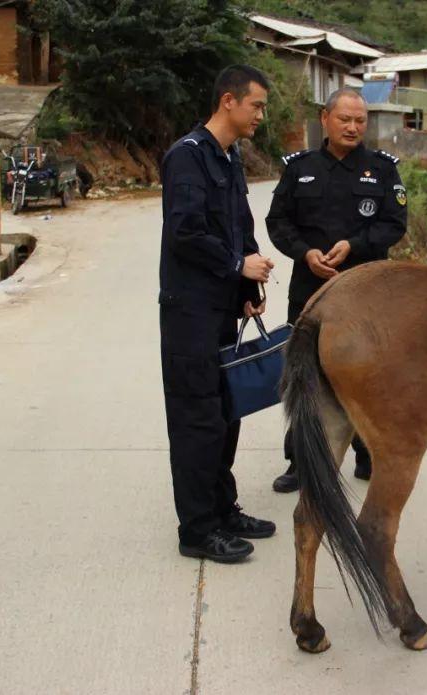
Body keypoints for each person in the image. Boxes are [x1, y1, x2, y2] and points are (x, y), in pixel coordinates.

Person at [159, 65, 277, 562]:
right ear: (228, 100)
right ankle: (197, 531)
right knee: (197, 420)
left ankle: (223, 508)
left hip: (220, 307)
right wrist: (236, 263)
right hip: (188, 314)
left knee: (225, 415)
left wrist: (246, 285)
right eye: (257, 106)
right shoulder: (186, 157)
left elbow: (238, 227)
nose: (261, 116)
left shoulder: (229, 159)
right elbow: (185, 233)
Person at [266, 87, 409, 493]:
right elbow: (278, 223)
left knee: (369, 375)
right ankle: (302, 462)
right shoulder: (299, 168)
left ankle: (367, 454)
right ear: (325, 119)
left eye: (359, 121)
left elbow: (395, 224)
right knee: (305, 376)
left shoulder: (382, 170)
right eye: (344, 119)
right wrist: (306, 252)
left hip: (368, 293)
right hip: (311, 291)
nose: (352, 127)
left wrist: (355, 245)